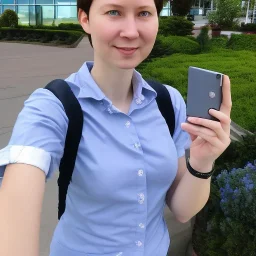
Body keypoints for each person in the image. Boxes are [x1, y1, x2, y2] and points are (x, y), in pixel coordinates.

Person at [0, 0, 232, 255]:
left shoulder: (168, 101)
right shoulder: (52, 106)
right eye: (114, 12)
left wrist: (202, 161)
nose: (131, 31)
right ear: (85, 19)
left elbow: (182, 210)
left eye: (144, 13)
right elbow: (18, 195)